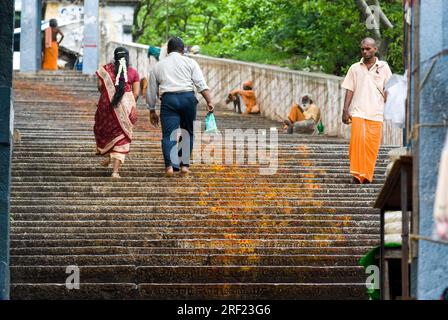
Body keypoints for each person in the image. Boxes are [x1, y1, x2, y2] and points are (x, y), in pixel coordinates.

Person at [146, 37, 214, 177]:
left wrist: (152, 109)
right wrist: (209, 101)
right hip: (187, 99)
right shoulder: (190, 62)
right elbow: (201, 84)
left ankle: (170, 167)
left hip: (168, 100)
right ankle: (184, 166)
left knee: (167, 135)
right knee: (187, 132)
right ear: (183, 50)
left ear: (168, 50)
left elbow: (151, 91)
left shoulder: (158, 66)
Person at [341, 38, 392, 184]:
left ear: (375, 49)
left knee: (371, 147)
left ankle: (367, 175)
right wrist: (345, 110)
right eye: (363, 49)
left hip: (376, 112)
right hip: (358, 111)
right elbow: (349, 89)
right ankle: (357, 175)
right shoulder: (355, 68)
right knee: (356, 144)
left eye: (368, 48)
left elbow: (388, 88)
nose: (365, 51)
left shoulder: (383, 67)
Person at [94, 47, 140, 178]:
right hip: (126, 108)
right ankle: (115, 172)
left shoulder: (105, 70)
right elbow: (136, 93)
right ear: (127, 58)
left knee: (109, 132)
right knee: (122, 137)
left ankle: (109, 157)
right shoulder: (133, 72)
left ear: (114, 57)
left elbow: (99, 87)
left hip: (107, 107)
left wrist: (109, 96)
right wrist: (128, 104)